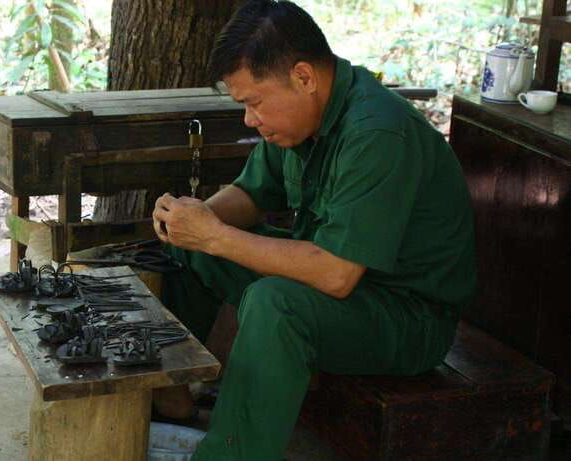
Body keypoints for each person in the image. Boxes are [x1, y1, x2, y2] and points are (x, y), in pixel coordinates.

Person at [151, 1, 477, 460]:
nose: (249, 118)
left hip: (406, 315)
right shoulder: (303, 120)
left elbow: (335, 275)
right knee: (195, 245)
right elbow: (251, 194)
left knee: (274, 305)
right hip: (345, 282)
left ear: (303, 77)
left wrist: (214, 234)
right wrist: (194, 219)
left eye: (254, 102)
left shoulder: (377, 132)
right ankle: (173, 399)